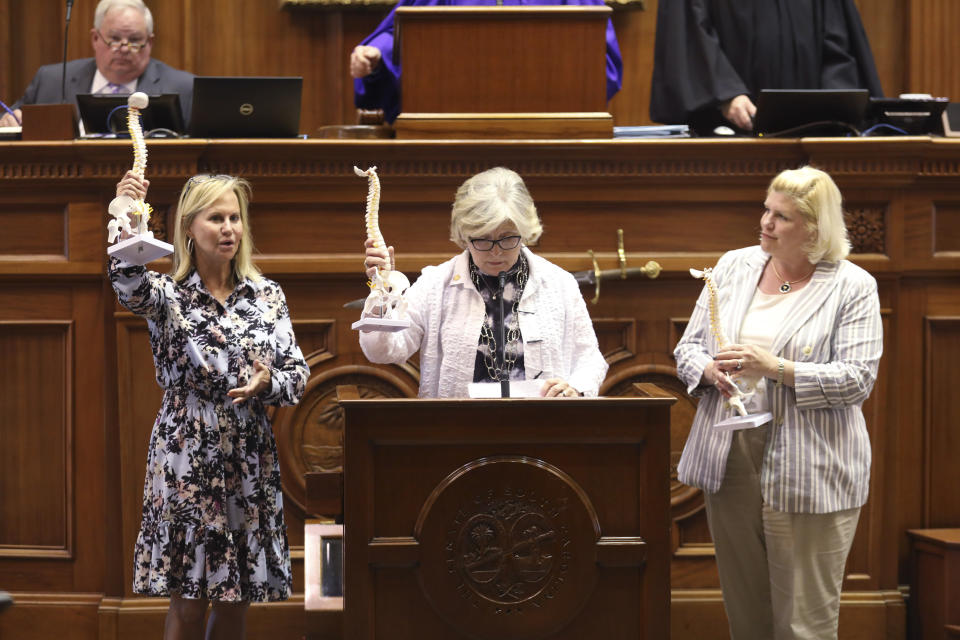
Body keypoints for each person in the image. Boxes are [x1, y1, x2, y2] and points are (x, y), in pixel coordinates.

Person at [673, 166, 883, 639]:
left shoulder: (852, 286)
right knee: (746, 615)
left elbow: (857, 380)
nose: (766, 223)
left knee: (802, 623)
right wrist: (708, 371)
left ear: (815, 228)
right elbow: (687, 349)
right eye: (766, 210)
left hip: (811, 462)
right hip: (731, 459)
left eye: (782, 217)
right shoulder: (734, 265)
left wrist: (775, 368)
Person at [108, 171, 309, 639]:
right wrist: (124, 214)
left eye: (235, 218)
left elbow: (297, 375)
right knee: (190, 601)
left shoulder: (268, 296)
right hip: (186, 453)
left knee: (236, 600)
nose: (228, 229)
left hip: (247, 452)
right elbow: (128, 281)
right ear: (188, 228)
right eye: (216, 217)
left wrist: (268, 383)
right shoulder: (167, 295)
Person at [359, 166, 608, 398]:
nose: (496, 252)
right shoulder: (435, 284)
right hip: (458, 430)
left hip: (542, 427)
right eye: (482, 240)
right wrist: (383, 288)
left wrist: (575, 388)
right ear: (464, 235)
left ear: (525, 231)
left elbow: (590, 358)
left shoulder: (559, 282)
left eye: (507, 238)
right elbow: (382, 351)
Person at [350, 0, 624, 123]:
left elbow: (602, 66)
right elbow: (403, 31)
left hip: (547, 135)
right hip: (453, 136)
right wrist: (376, 56)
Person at [649, 0, 883, 135]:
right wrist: (725, 94)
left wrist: (833, 103)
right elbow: (688, 29)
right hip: (729, 130)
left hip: (812, 136)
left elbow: (837, 39)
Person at [0, 0, 194, 129]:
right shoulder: (50, 80)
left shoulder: (183, 88)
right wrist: (8, 122)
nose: (124, 48)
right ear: (95, 38)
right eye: (114, 38)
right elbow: (12, 122)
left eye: (134, 40)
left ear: (150, 43)